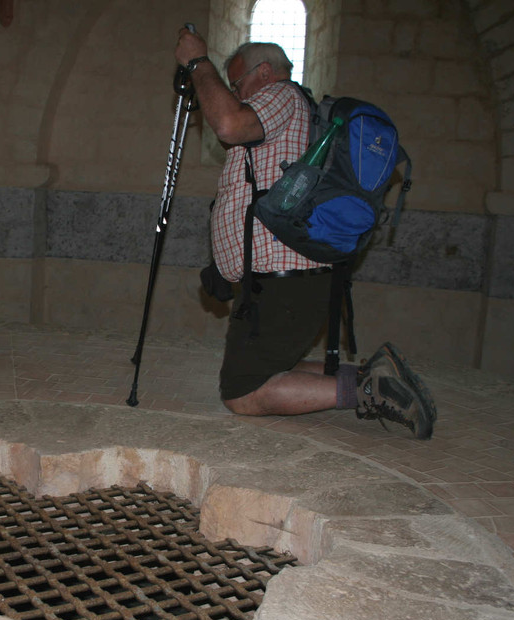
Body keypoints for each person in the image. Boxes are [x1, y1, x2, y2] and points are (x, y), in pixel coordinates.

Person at [175, 29, 437, 439]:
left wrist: (197, 63)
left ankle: (371, 393)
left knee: (242, 391)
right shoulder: (291, 108)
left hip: (283, 285)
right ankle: (374, 373)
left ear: (264, 72)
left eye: (237, 82)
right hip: (284, 282)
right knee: (270, 366)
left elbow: (227, 123)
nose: (234, 91)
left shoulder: (279, 95)